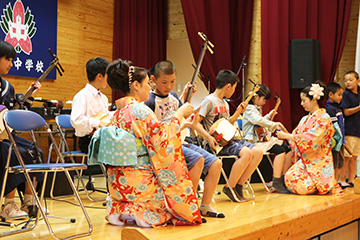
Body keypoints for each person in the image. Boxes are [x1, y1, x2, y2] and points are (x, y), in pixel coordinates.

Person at [103, 59, 202, 227]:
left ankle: (123, 210)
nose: (150, 87)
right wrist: (179, 114)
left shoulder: (117, 113)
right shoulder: (139, 110)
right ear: (136, 85)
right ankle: (142, 212)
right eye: (147, 83)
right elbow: (163, 136)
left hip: (118, 183)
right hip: (139, 182)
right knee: (173, 204)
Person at [144, 60, 224, 218]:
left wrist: (188, 99)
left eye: (172, 81)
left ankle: (205, 205)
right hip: (164, 147)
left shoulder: (173, 97)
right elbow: (157, 132)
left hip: (180, 142)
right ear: (153, 80)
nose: (169, 86)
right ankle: (188, 206)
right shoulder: (150, 102)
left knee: (216, 163)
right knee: (197, 160)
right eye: (164, 82)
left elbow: (184, 113)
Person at [199, 70, 263, 202]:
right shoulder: (209, 101)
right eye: (234, 87)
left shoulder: (225, 103)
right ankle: (230, 186)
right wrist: (208, 137)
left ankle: (239, 185)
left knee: (257, 151)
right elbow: (197, 123)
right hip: (216, 144)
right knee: (246, 153)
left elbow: (227, 125)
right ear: (228, 86)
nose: (234, 91)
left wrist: (239, 112)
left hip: (228, 140)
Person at [0, 40, 42, 218]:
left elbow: (14, 113)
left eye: (12, 60)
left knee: (35, 150)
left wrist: (29, 97)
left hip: (7, 134)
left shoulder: (8, 87)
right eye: (7, 59)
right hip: (2, 140)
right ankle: (8, 205)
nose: (11, 64)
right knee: (8, 151)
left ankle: (29, 203)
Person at [276, 82, 343, 195]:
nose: (302, 104)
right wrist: (284, 131)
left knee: (301, 185)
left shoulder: (323, 118)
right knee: (290, 177)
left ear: (314, 100)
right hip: (306, 161)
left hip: (319, 162)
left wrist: (286, 135)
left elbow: (311, 139)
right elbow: (295, 138)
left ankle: (320, 184)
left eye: (304, 100)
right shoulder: (304, 119)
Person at [242, 84, 292, 193]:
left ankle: (283, 178)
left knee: (287, 149)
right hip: (253, 142)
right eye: (264, 99)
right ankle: (276, 181)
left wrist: (269, 116)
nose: (265, 102)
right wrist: (273, 125)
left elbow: (259, 122)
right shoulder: (249, 108)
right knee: (280, 151)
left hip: (260, 140)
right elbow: (257, 121)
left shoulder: (255, 108)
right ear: (255, 97)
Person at [70, 57, 112, 153]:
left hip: (101, 137)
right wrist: (97, 123)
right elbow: (76, 120)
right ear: (99, 76)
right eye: (107, 76)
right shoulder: (82, 96)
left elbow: (106, 116)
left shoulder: (103, 98)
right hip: (88, 140)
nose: (108, 79)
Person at [339, 71, 360, 188]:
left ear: (358, 81)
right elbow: (346, 112)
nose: (347, 82)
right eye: (345, 80)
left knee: (355, 156)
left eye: (350, 80)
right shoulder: (346, 95)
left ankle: (352, 180)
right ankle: (342, 179)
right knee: (347, 156)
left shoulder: (359, 93)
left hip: (358, 130)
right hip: (349, 130)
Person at [325, 82, 345, 186]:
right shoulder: (329, 109)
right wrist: (337, 141)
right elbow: (333, 128)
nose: (341, 97)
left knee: (340, 164)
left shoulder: (337, 108)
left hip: (341, 141)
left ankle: (336, 182)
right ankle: (332, 183)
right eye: (339, 94)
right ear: (330, 94)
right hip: (334, 142)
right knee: (334, 162)